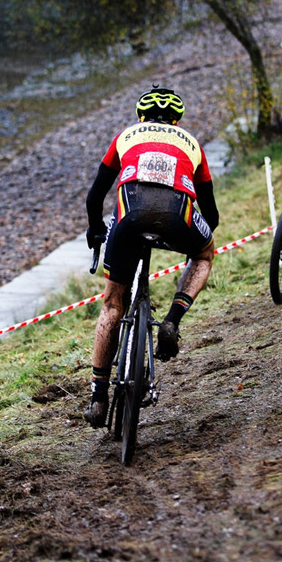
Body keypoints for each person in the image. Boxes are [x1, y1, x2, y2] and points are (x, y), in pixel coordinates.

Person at [82, 88, 219, 427]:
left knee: (113, 304)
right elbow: (211, 211)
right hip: (178, 215)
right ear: (177, 119)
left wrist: (95, 229)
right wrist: (191, 233)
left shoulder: (125, 136)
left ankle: (98, 397)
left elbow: (95, 195)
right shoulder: (191, 143)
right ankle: (172, 318)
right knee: (204, 253)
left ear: (141, 116)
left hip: (129, 216)